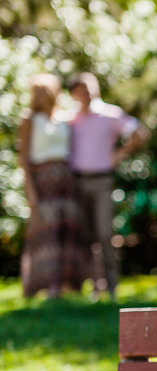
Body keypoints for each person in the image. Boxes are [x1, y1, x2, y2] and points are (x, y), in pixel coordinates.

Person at [67, 72, 148, 300]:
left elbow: (140, 133)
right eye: (80, 90)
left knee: (104, 233)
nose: (85, 94)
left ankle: (112, 287)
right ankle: (95, 286)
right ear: (73, 94)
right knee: (85, 236)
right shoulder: (70, 118)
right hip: (77, 181)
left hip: (101, 180)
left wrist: (119, 154)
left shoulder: (110, 114)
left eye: (88, 88)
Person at [18, 74, 85, 298]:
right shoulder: (29, 119)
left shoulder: (65, 118)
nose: (39, 96)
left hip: (67, 182)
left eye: (43, 91)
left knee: (67, 231)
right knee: (46, 233)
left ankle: (67, 285)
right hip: (43, 182)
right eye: (36, 91)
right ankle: (42, 286)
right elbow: (23, 158)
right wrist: (30, 191)